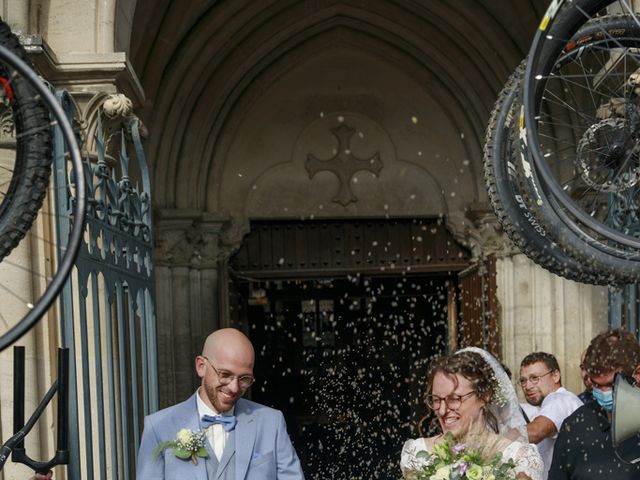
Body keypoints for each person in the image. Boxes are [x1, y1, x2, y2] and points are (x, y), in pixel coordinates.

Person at [136, 328, 305, 479]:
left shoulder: (271, 423)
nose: (234, 387)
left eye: (244, 378)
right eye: (225, 374)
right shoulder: (158, 427)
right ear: (201, 366)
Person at [400, 348, 544, 480]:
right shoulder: (417, 453)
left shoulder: (519, 458)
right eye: (436, 400)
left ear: (484, 396)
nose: (442, 410)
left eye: (455, 399)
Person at [548, 328, 640, 479]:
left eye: (611, 385)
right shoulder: (575, 426)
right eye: (597, 385)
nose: (604, 393)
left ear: (637, 374)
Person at [519, 352, 582, 478]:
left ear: (555, 376)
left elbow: (536, 432)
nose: (528, 386)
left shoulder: (560, 399)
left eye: (535, 378)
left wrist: (492, 441)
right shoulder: (554, 402)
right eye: (523, 380)